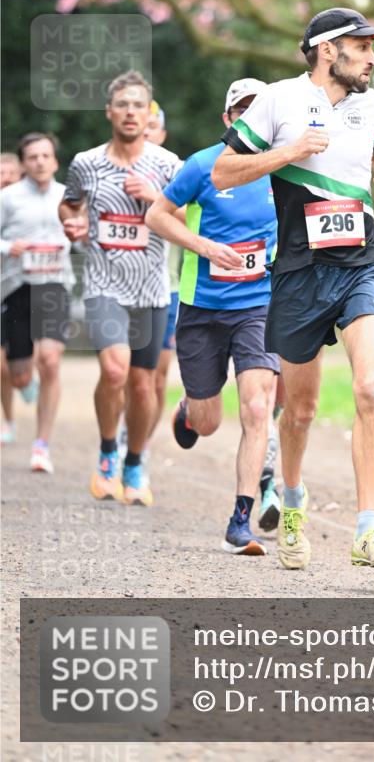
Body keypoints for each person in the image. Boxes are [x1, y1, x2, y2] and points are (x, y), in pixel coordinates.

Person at [212, 7, 374, 570]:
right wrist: (289, 153)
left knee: (371, 388)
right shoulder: (278, 100)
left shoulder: (371, 104)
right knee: (299, 411)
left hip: (363, 263)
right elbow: (224, 171)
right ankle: (293, 502)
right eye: (362, 47)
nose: (372, 59)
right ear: (328, 50)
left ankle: (368, 530)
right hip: (300, 272)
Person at [146, 78, 280, 554]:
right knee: (208, 423)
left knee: (258, 408)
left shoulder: (283, 170)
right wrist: (203, 246)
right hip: (202, 306)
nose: (250, 118)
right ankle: (190, 408)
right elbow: (157, 215)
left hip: (259, 305)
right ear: (228, 119)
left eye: (259, 110)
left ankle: (240, 520)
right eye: (242, 111)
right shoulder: (203, 165)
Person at [58, 70, 181, 506]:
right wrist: (72, 224)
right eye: (123, 104)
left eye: (139, 105)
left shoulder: (168, 165)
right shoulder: (86, 163)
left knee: (143, 384)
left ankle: (135, 462)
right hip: (103, 283)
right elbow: (69, 204)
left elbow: (189, 219)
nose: (131, 112)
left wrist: (154, 199)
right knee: (114, 371)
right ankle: (108, 452)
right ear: (109, 111)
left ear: (148, 114)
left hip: (150, 288)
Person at [0, 134, 74, 471]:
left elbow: (85, 234)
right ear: (23, 164)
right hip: (16, 288)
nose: (40, 162)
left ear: (55, 161)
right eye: (32, 157)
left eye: (46, 156)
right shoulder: (8, 198)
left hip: (55, 285)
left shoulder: (68, 196)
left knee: (50, 360)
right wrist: (8, 247)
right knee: (17, 375)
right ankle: (24, 381)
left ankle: (41, 445)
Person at [118, 99, 181, 469]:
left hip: (166, 288)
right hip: (120, 288)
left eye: (152, 126)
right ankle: (123, 435)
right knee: (123, 372)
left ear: (162, 133)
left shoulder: (177, 170)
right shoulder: (112, 166)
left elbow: (196, 219)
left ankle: (138, 448)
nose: (146, 133)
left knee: (155, 377)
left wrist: (155, 199)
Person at [1, 151, 23, 442]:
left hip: (22, 290)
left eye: (10, 174)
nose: (5, 179)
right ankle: (8, 420)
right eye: (0, 173)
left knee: (21, 369)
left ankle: (27, 379)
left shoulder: (28, 207)